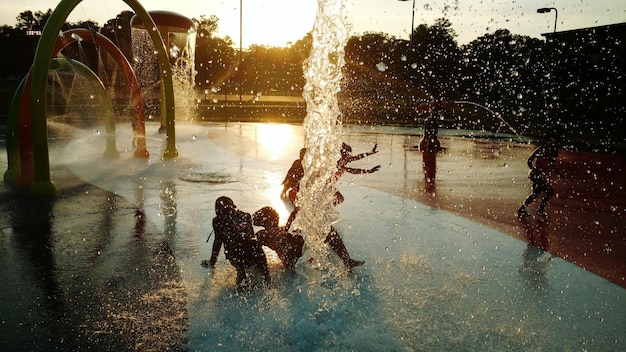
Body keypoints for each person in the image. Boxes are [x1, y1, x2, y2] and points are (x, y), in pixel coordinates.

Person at [205, 196, 271, 290]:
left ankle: (263, 275)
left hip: (247, 253)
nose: (224, 215)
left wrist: (212, 262)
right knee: (243, 243)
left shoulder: (243, 217)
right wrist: (212, 261)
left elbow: (251, 237)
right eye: (221, 212)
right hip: (238, 255)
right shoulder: (218, 221)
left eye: (225, 211)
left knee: (247, 241)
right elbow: (218, 242)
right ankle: (249, 274)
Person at [518, 127, 562, 219]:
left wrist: (557, 172)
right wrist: (536, 169)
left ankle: (523, 209)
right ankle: (539, 210)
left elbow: (531, 160)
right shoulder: (545, 150)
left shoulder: (545, 149)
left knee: (535, 194)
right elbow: (530, 161)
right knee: (549, 192)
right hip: (537, 175)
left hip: (536, 175)